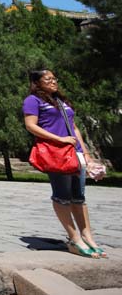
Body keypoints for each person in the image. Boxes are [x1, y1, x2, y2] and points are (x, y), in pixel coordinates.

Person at [22, 69, 106, 259]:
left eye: (54, 78)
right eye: (48, 79)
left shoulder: (60, 100)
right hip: (56, 152)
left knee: (79, 196)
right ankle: (74, 238)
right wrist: (59, 139)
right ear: (37, 82)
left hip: (74, 152)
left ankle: (88, 237)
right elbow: (31, 126)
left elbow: (74, 127)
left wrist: (86, 153)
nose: (53, 82)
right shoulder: (33, 100)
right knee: (62, 195)